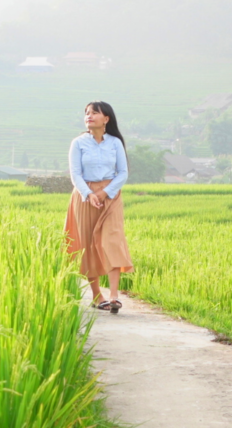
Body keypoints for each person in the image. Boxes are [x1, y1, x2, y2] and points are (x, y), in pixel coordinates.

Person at [64, 101, 134, 314]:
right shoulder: (78, 143)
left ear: (106, 119)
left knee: (112, 241)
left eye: (95, 112)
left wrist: (104, 193)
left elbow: (123, 172)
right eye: (86, 113)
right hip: (84, 198)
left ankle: (114, 295)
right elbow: (75, 174)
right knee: (87, 245)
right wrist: (89, 194)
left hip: (110, 196)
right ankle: (96, 296)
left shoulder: (114, 143)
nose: (89, 116)